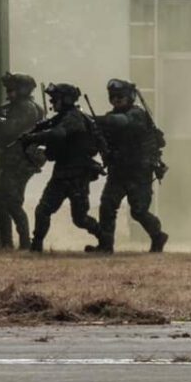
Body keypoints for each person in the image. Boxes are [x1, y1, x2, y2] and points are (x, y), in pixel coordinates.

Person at [22, 82, 104, 254]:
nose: (52, 103)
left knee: (80, 218)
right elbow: (49, 128)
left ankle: (105, 239)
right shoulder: (62, 117)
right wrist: (32, 133)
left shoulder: (74, 117)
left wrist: (33, 138)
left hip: (77, 175)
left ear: (66, 100)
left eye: (55, 99)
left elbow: (57, 133)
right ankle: (36, 245)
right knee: (43, 210)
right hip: (62, 173)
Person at [91, 78, 169, 253]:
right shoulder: (110, 117)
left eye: (120, 97)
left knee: (139, 211)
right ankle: (106, 245)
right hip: (118, 171)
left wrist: (97, 120)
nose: (116, 100)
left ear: (129, 97)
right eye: (113, 97)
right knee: (107, 206)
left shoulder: (136, 114)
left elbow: (122, 122)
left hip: (138, 172)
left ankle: (158, 236)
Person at [0, 72, 44, 249]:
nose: (8, 94)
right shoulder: (18, 106)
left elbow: (10, 127)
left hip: (22, 161)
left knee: (11, 201)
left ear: (23, 90)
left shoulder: (26, 107)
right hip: (14, 160)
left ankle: (25, 243)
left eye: (12, 90)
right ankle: (7, 242)